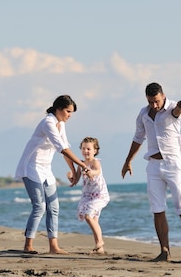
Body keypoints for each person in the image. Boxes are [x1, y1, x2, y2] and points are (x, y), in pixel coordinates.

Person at [121, 82, 181, 265]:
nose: (154, 105)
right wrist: (128, 160)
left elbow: (177, 112)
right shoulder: (143, 114)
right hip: (153, 165)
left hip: (173, 164)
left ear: (163, 96)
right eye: (151, 102)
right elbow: (138, 137)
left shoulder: (173, 108)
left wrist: (180, 108)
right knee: (157, 209)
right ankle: (164, 251)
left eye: (157, 101)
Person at [14, 95, 91, 254]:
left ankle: (53, 246)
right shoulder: (48, 123)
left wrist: (76, 172)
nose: (70, 115)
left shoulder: (60, 124)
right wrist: (82, 164)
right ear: (58, 109)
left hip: (46, 168)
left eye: (71, 112)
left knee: (54, 206)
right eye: (68, 111)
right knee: (39, 206)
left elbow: (65, 149)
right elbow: (61, 148)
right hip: (31, 167)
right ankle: (28, 245)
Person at [71, 137, 110, 254]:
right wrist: (70, 177)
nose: (85, 151)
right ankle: (100, 248)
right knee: (94, 220)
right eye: (83, 149)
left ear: (95, 150)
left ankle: (100, 242)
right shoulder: (81, 164)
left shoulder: (95, 162)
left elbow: (97, 171)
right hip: (87, 196)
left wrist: (91, 172)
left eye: (88, 149)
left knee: (88, 216)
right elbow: (76, 179)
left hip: (99, 195)